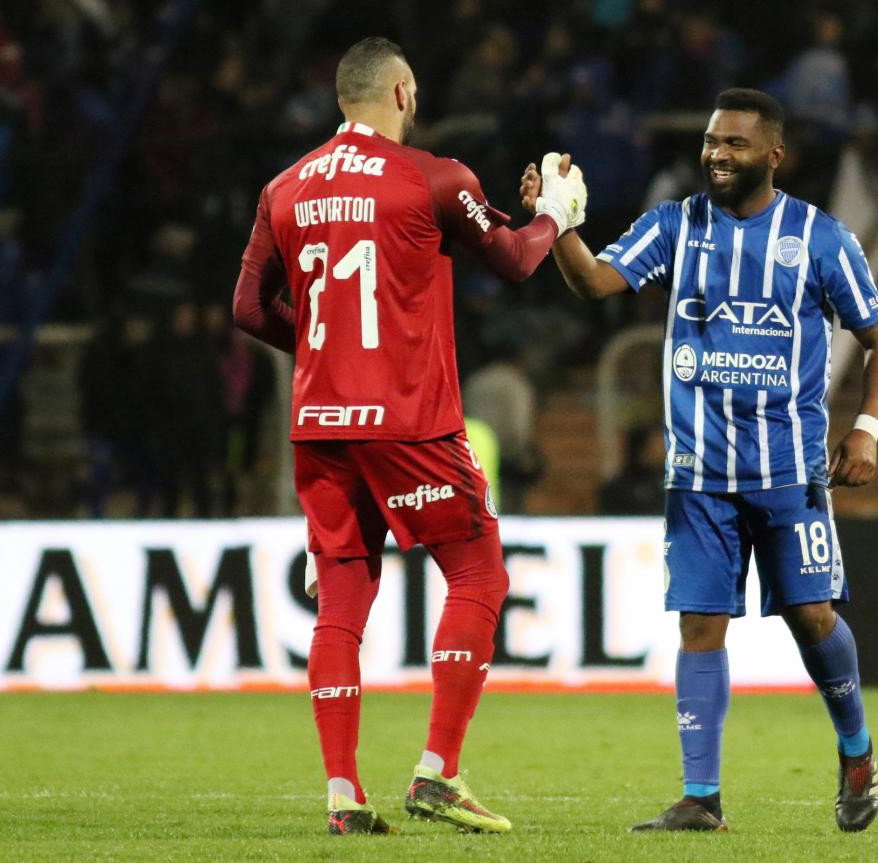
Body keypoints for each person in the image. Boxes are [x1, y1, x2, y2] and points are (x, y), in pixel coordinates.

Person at [520, 88, 878, 833]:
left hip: (791, 471)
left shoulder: (820, 237)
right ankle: (702, 797)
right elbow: (596, 280)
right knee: (699, 625)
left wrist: (866, 429)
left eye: (734, 144)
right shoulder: (677, 225)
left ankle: (856, 749)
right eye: (711, 141)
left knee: (812, 615)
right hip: (698, 474)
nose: (717, 155)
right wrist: (556, 223)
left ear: (773, 155)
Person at [233, 36, 586, 835]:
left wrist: (328, 350)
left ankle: (342, 794)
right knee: (478, 571)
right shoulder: (431, 175)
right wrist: (554, 216)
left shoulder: (283, 188)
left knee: (343, 596)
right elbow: (514, 261)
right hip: (405, 421)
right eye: (414, 95)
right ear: (401, 94)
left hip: (318, 424)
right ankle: (438, 771)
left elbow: (250, 309)